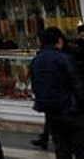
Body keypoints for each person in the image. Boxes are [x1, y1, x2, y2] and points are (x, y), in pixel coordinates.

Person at [31, 26, 84, 158]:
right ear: (59, 41)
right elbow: (77, 85)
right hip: (70, 110)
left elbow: (35, 86)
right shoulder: (64, 58)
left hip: (50, 112)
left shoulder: (36, 60)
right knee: (79, 147)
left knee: (61, 148)